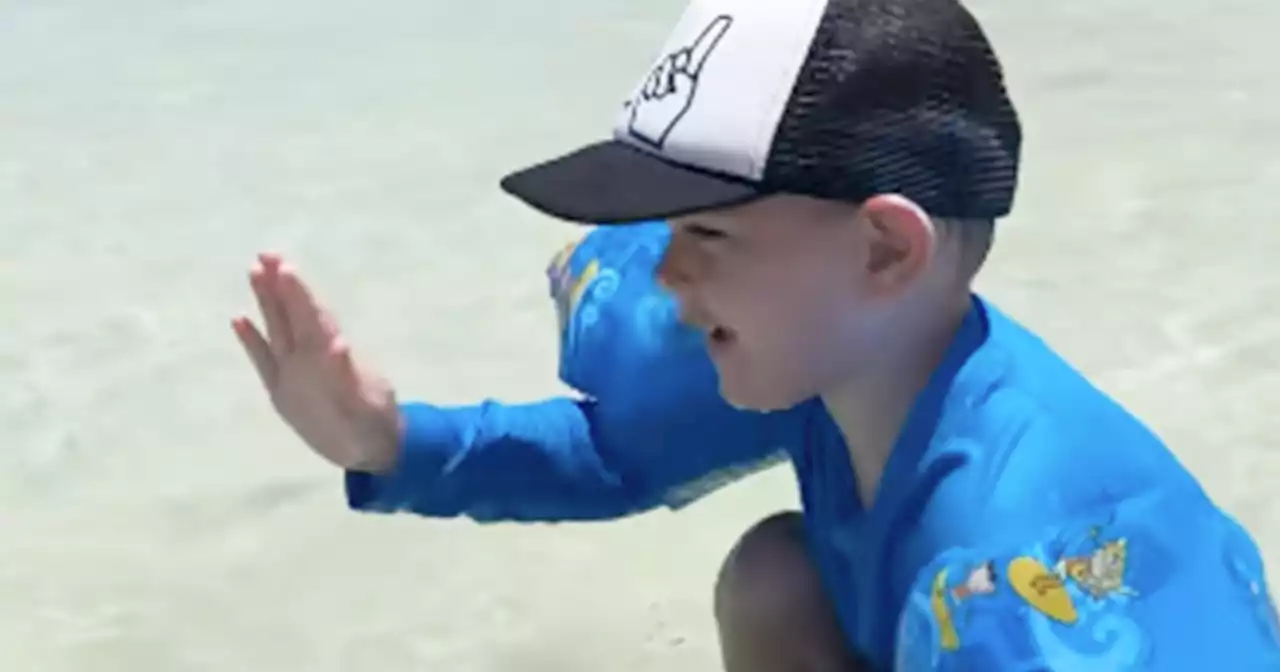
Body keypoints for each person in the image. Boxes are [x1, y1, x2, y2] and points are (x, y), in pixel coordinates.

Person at [233, 0, 1280, 670]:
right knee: (775, 575)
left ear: (880, 250)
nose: (669, 276)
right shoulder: (843, 365)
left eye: (703, 230)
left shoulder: (1025, 560)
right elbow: (613, 459)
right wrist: (384, 439)